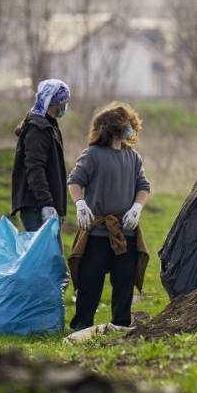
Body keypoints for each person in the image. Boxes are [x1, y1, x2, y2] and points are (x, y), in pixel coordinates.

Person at [66, 102, 151, 331]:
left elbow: (143, 186)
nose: (131, 129)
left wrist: (136, 208)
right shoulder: (92, 155)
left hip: (126, 232)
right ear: (114, 128)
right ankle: (82, 325)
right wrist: (80, 203)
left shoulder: (133, 157)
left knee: (124, 282)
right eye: (127, 125)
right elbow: (75, 181)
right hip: (98, 233)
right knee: (90, 283)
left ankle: (121, 324)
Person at [11, 79, 70, 232]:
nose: (65, 105)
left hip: (47, 205)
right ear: (55, 103)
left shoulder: (50, 125)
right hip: (37, 207)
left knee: (50, 255)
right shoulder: (38, 128)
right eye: (64, 101)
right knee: (43, 255)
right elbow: (35, 168)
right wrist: (46, 204)